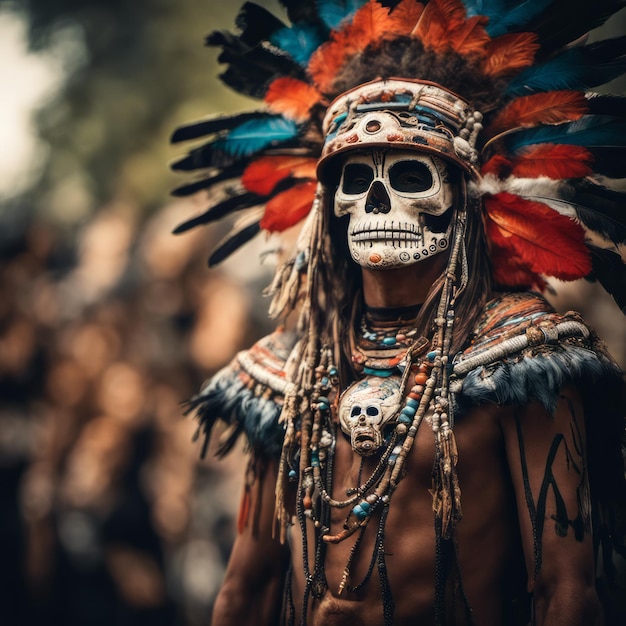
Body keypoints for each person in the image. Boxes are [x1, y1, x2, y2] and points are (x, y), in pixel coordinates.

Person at [170, 1, 626, 624]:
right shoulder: (287, 375)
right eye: (354, 182)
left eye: (413, 175)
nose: (378, 203)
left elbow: (564, 590)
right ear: (329, 206)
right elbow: (243, 589)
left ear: (463, 198)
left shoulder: (519, 360)